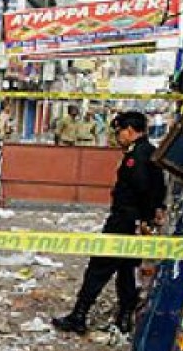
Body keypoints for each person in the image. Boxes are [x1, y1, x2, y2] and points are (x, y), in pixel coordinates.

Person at [52, 111, 167, 335]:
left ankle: (79, 315)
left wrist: (143, 217)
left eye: (120, 131)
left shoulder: (138, 156)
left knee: (99, 267)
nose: (118, 136)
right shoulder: (149, 152)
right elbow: (157, 189)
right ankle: (124, 318)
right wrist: (149, 216)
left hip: (124, 220)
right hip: (133, 221)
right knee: (126, 270)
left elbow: (142, 188)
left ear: (131, 131)